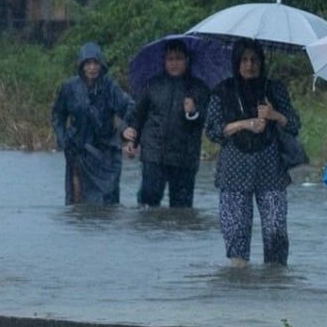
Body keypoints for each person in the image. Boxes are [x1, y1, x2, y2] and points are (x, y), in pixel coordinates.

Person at [203, 40, 301, 265]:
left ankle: (275, 279)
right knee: (236, 233)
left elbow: (294, 124)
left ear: (261, 62)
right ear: (236, 63)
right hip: (234, 170)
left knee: (276, 230)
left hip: (270, 168)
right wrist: (244, 124)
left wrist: (274, 115)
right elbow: (213, 131)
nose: (249, 65)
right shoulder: (223, 90)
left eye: (254, 60)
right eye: (244, 60)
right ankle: (240, 280)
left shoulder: (274, 89)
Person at [123, 42, 212, 208]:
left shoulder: (199, 88)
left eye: (178, 59)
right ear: (164, 61)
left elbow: (208, 119)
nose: (174, 63)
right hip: (154, 154)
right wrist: (131, 141)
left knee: (182, 209)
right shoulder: (152, 85)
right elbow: (138, 117)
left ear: (187, 60)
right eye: (170, 59)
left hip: (185, 156)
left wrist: (193, 112)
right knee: (148, 204)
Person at [51, 42, 131, 204]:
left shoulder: (110, 87)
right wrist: (63, 139)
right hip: (78, 151)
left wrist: (124, 130)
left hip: (106, 153)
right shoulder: (69, 88)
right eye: (88, 63)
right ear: (81, 66)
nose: (92, 68)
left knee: (107, 202)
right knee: (77, 201)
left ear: (101, 65)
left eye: (96, 63)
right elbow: (58, 114)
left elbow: (129, 107)